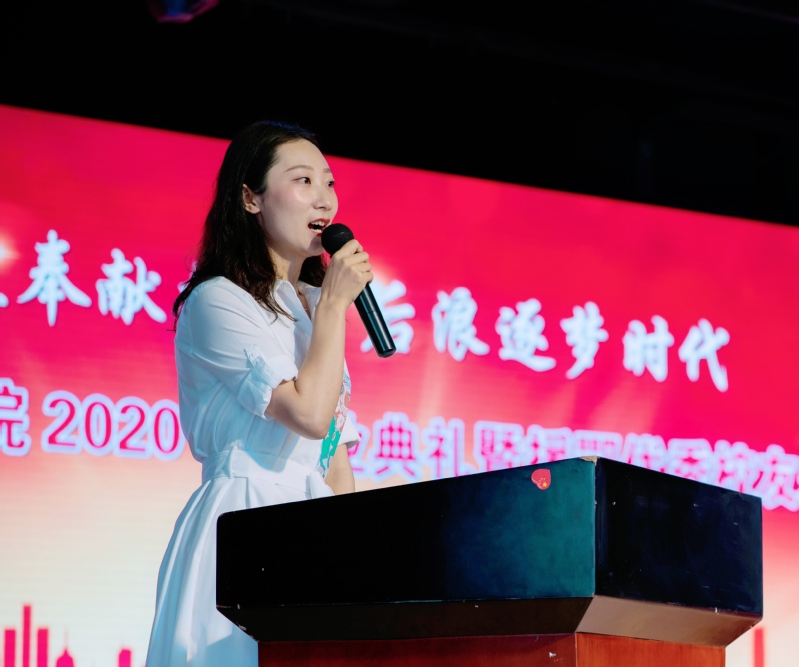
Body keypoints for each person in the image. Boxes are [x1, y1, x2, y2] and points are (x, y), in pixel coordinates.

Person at [144, 120, 371, 667]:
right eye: (303, 180)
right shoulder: (217, 300)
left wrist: (359, 556)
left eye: (329, 182)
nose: (324, 198)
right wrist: (335, 306)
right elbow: (308, 414)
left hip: (316, 528)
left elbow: (332, 450)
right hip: (247, 517)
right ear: (251, 198)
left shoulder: (312, 307)